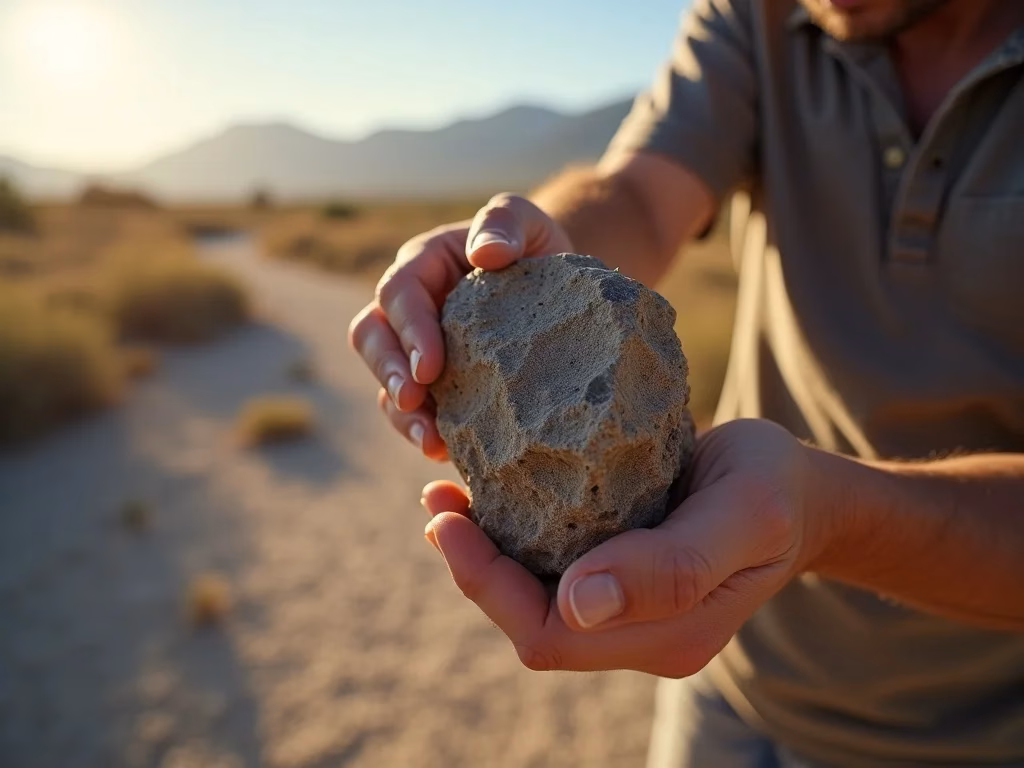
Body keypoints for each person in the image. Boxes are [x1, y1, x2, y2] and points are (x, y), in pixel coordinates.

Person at [349, 0, 1024, 764]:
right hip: (728, 692)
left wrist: (827, 515)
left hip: (976, 735)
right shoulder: (761, 15)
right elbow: (639, 198)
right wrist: (536, 263)